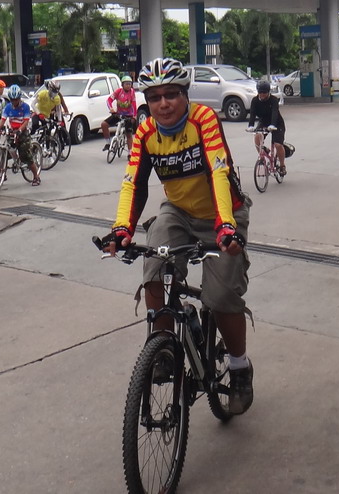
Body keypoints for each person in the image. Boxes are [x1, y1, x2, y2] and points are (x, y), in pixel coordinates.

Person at [101, 57, 253, 415]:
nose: (163, 104)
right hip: (179, 212)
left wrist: (225, 226)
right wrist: (121, 228)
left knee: (220, 297)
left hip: (222, 213)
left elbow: (218, 172)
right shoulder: (145, 133)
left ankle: (239, 367)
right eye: (154, 97)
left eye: (171, 94)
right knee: (154, 269)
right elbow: (133, 183)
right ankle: (164, 349)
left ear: (185, 95)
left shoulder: (204, 120)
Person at [0, 84, 41, 186]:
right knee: (5, 148)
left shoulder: (25, 107)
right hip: (12, 131)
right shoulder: (8, 107)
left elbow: (25, 121)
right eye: (12, 99)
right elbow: (2, 120)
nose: (14, 101)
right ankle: (3, 174)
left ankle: (36, 176)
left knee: (26, 156)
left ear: (19, 98)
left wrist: (20, 130)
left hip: (23, 132)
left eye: (16, 99)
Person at [247, 80, 287, 175]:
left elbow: (274, 112)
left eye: (264, 92)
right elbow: (252, 113)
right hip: (264, 122)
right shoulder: (255, 100)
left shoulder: (273, 100)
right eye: (260, 92)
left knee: (278, 144)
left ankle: (282, 165)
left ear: (268, 92)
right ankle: (262, 157)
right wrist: (251, 125)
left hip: (277, 123)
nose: (262, 95)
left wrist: (272, 124)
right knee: (257, 138)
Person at [100, 75, 137, 152]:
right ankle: (108, 143)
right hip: (119, 114)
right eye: (126, 84)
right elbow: (109, 100)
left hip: (129, 116)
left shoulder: (132, 92)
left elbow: (134, 105)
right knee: (104, 124)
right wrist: (111, 108)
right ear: (122, 85)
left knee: (128, 133)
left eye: (129, 84)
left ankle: (130, 152)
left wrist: (134, 116)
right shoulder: (118, 91)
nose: (128, 85)